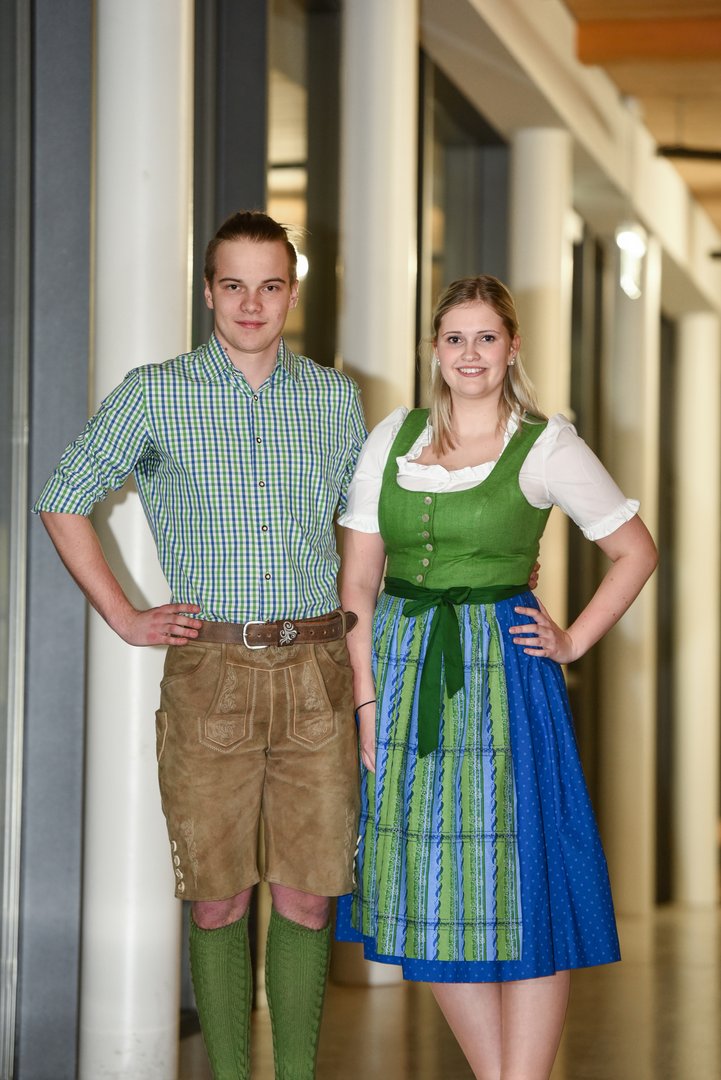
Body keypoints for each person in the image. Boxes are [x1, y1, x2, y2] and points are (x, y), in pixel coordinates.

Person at [33, 210, 367, 1080]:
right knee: (218, 902)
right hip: (210, 673)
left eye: (269, 285)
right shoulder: (155, 393)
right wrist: (124, 614)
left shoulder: (335, 398)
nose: (252, 303)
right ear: (208, 292)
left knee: (307, 898)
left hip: (317, 670)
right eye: (234, 285)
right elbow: (62, 496)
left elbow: (367, 532)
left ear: (291, 293)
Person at [335, 274, 658, 1080]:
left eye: (486, 337)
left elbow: (633, 551)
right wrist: (365, 701)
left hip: (505, 679)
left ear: (512, 346)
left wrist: (572, 640)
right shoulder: (393, 436)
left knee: (520, 881)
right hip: (401, 676)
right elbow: (357, 584)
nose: (469, 353)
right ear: (434, 350)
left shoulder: (545, 444)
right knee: (427, 884)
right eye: (454, 338)